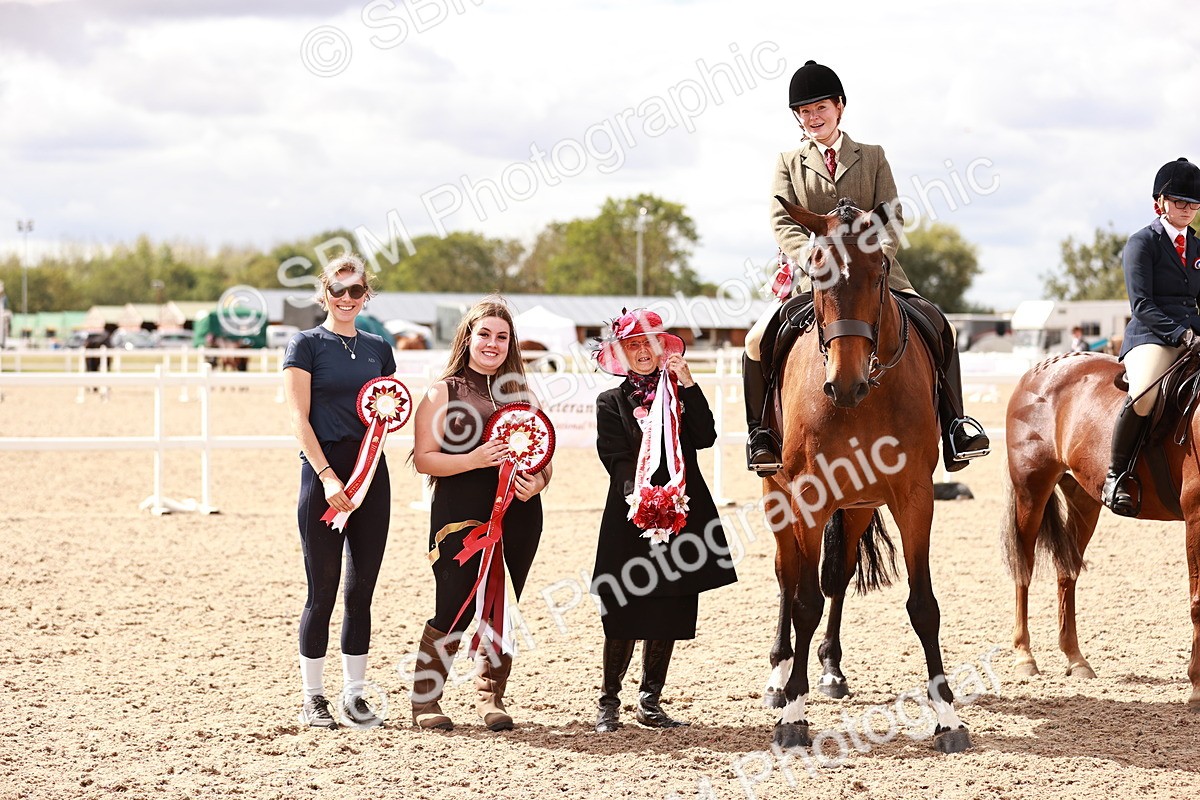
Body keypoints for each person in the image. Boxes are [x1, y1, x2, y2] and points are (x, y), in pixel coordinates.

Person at [742, 60, 989, 476]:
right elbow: (782, 221)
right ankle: (761, 435)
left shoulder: (872, 156)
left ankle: (955, 427)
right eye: (804, 113)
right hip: (816, 280)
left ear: (840, 107)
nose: (812, 118)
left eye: (820, 108)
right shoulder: (788, 161)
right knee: (755, 341)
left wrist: (880, 255)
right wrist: (811, 258)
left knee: (938, 325)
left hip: (876, 275)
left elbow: (891, 216)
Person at [591, 309, 738, 733]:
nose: (642, 351)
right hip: (632, 513)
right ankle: (609, 702)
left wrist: (689, 385)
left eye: (649, 343)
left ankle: (650, 700)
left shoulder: (678, 394)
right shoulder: (611, 402)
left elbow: (705, 436)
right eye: (633, 344)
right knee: (622, 605)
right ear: (622, 352)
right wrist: (644, 501)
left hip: (683, 512)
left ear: (661, 349)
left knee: (670, 602)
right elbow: (615, 458)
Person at [411, 298, 551, 731]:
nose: (492, 343)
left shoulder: (522, 393)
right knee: (453, 601)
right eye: (484, 334)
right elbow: (423, 459)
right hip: (460, 513)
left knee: (500, 603)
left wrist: (540, 481)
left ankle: (491, 694)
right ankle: (426, 700)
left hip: (518, 513)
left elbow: (543, 455)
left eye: (501, 336)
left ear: (510, 344)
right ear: (468, 336)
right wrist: (474, 459)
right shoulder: (443, 391)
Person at [283, 254, 397, 730]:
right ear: (323, 292)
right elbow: (298, 418)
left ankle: (354, 694)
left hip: (372, 474)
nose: (346, 299)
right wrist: (328, 476)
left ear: (366, 294)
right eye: (338, 289)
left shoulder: (379, 347)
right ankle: (314, 697)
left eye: (356, 291)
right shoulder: (305, 343)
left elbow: (388, 412)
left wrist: (359, 473)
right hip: (323, 475)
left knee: (362, 591)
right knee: (322, 591)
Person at [1102, 157, 1200, 516]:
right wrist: (1181, 334)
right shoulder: (1142, 243)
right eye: (1179, 202)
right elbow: (1142, 303)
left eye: (1193, 203)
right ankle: (1116, 476)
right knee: (1143, 395)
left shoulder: (1198, 247)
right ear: (1159, 202)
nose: (1187, 209)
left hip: (1192, 336)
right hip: (1152, 335)